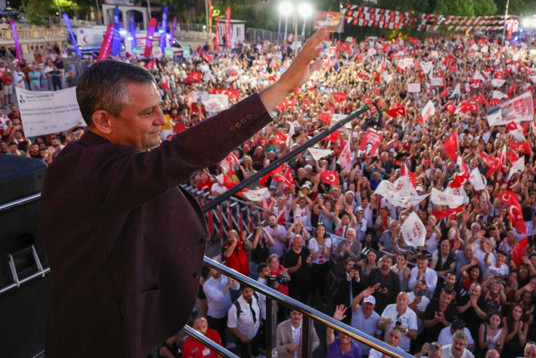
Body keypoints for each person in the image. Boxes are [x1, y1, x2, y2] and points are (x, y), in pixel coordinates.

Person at [39, 27, 327, 357]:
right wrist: (281, 88)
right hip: (98, 338)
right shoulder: (91, 171)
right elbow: (180, 155)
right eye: (148, 113)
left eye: (159, 108)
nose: (162, 122)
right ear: (103, 121)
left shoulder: (98, 160)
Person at [227, 284, 266, 358]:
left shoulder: (256, 296)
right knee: (244, 353)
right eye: (246, 292)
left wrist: (259, 319)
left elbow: (258, 307)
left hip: (256, 329)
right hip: (243, 335)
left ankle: (256, 355)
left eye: (251, 291)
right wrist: (241, 336)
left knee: (256, 346)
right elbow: (231, 326)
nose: (249, 294)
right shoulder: (235, 307)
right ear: (241, 291)